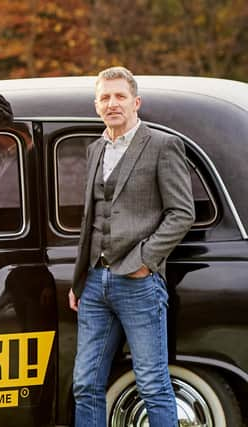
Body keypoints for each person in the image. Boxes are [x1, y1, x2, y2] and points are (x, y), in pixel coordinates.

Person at [69, 66, 194, 426]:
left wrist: (145, 261)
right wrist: (80, 280)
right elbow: (91, 220)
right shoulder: (95, 149)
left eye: (120, 96)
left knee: (153, 383)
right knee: (85, 384)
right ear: (96, 106)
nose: (112, 103)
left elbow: (181, 213)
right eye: (105, 97)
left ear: (135, 102)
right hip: (94, 282)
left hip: (139, 283)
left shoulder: (162, 146)